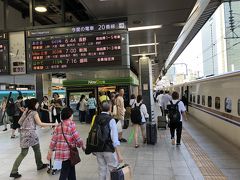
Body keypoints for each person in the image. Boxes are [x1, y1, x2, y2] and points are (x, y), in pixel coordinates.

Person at [10, 98, 56, 178]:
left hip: (23, 134)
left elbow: (19, 122)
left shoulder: (26, 111)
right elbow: (40, 124)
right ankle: (39, 165)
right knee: (37, 149)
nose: (38, 104)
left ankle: (14, 171)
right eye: (37, 103)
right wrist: (52, 124)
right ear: (34, 104)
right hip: (31, 134)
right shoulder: (34, 112)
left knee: (23, 153)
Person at [47, 107, 85, 180]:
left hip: (61, 152)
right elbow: (76, 137)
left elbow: (54, 140)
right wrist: (82, 145)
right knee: (64, 172)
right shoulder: (71, 124)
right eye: (72, 114)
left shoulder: (59, 125)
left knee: (71, 169)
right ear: (70, 115)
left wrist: (50, 150)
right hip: (68, 152)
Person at [94, 101, 123, 180]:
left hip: (98, 149)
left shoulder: (96, 118)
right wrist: (119, 154)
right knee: (112, 170)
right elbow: (114, 138)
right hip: (109, 149)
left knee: (102, 169)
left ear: (101, 108)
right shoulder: (111, 120)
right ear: (110, 108)